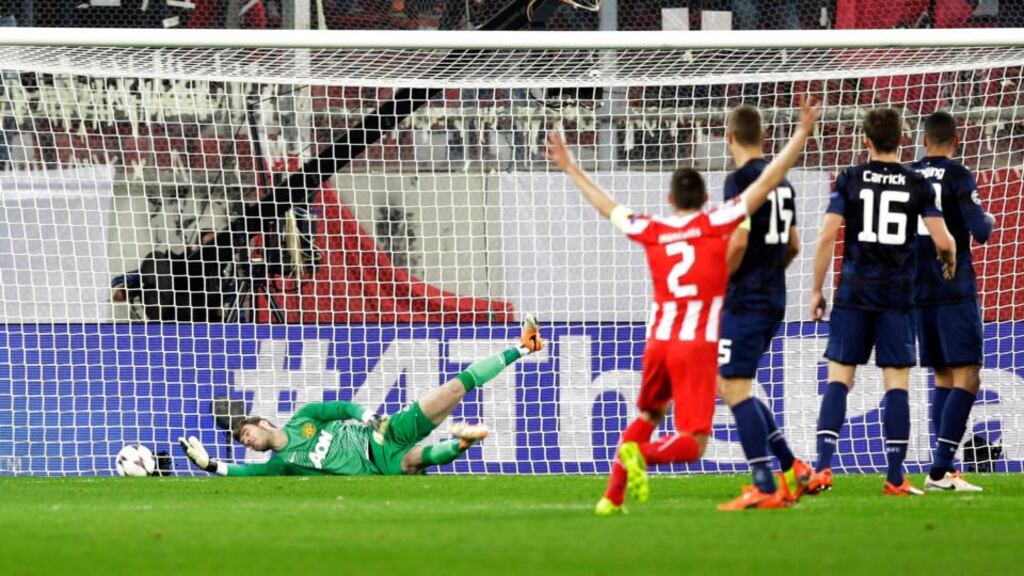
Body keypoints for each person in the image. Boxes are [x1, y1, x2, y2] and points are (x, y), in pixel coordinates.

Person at [546, 96, 821, 515]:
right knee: (695, 440)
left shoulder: (652, 228)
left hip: (659, 342)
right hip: (697, 343)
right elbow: (767, 182)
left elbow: (606, 208)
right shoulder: (716, 222)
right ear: (707, 196)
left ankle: (611, 498)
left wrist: (570, 167)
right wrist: (801, 133)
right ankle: (653, 459)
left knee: (649, 414)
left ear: (670, 197)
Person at [179, 316, 544, 476]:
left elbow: (341, 407)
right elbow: (243, 473)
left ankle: (524, 347)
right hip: (377, 465)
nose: (250, 441)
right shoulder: (282, 464)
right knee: (415, 461)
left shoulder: (305, 417)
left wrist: (369, 416)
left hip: (383, 431)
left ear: (263, 421)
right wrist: (212, 465)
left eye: (247, 433)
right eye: (245, 441)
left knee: (452, 388)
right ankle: (462, 441)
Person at [807, 108, 956, 496]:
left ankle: (822, 468)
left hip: (854, 293)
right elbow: (943, 241)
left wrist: (816, 290)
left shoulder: (850, 178)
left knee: (840, 378)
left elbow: (826, 237)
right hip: (897, 298)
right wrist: (949, 261)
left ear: (866, 141)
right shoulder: (916, 183)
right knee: (897, 385)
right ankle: (894, 477)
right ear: (902, 139)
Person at [716, 105, 813, 510]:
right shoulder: (783, 184)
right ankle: (794, 466)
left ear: (729, 137)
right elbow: (793, 245)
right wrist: (771, 271)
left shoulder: (738, 181)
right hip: (774, 296)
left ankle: (765, 485)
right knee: (740, 385)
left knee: (733, 387)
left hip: (747, 298)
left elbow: (736, 243)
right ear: (763, 136)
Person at [911, 111, 995, 492]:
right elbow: (980, 232)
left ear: (924, 141)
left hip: (917, 290)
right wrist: (989, 218)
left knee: (942, 375)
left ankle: (942, 471)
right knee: (968, 376)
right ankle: (941, 469)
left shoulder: (909, 175)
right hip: (955, 288)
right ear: (955, 141)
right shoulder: (959, 174)